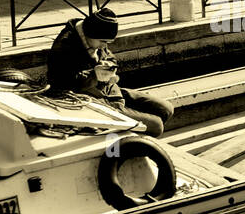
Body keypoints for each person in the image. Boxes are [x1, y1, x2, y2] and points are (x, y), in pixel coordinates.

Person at [43, 8, 174, 136]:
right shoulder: (64, 47)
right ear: (89, 33)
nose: (104, 46)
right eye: (103, 42)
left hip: (110, 92)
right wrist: (95, 75)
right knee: (156, 126)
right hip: (90, 101)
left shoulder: (95, 35)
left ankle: (131, 134)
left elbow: (110, 56)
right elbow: (62, 82)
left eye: (107, 42)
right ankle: (130, 143)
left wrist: (109, 65)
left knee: (166, 109)